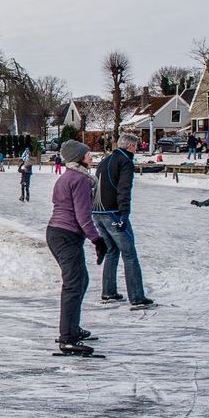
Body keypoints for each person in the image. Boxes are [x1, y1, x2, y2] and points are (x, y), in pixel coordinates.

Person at [46, 140, 108, 356]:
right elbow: (83, 216)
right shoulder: (80, 180)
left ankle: (72, 328)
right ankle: (67, 338)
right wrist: (97, 240)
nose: (91, 157)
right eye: (88, 154)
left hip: (59, 234)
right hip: (65, 235)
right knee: (73, 284)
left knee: (81, 280)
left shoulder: (68, 177)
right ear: (79, 158)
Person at [93, 133, 154, 308]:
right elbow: (124, 188)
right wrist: (124, 214)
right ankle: (136, 297)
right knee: (129, 254)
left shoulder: (106, 160)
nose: (137, 149)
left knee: (112, 251)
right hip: (113, 213)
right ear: (130, 147)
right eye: (136, 146)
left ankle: (108, 291)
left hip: (98, 212)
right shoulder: (125, 161)